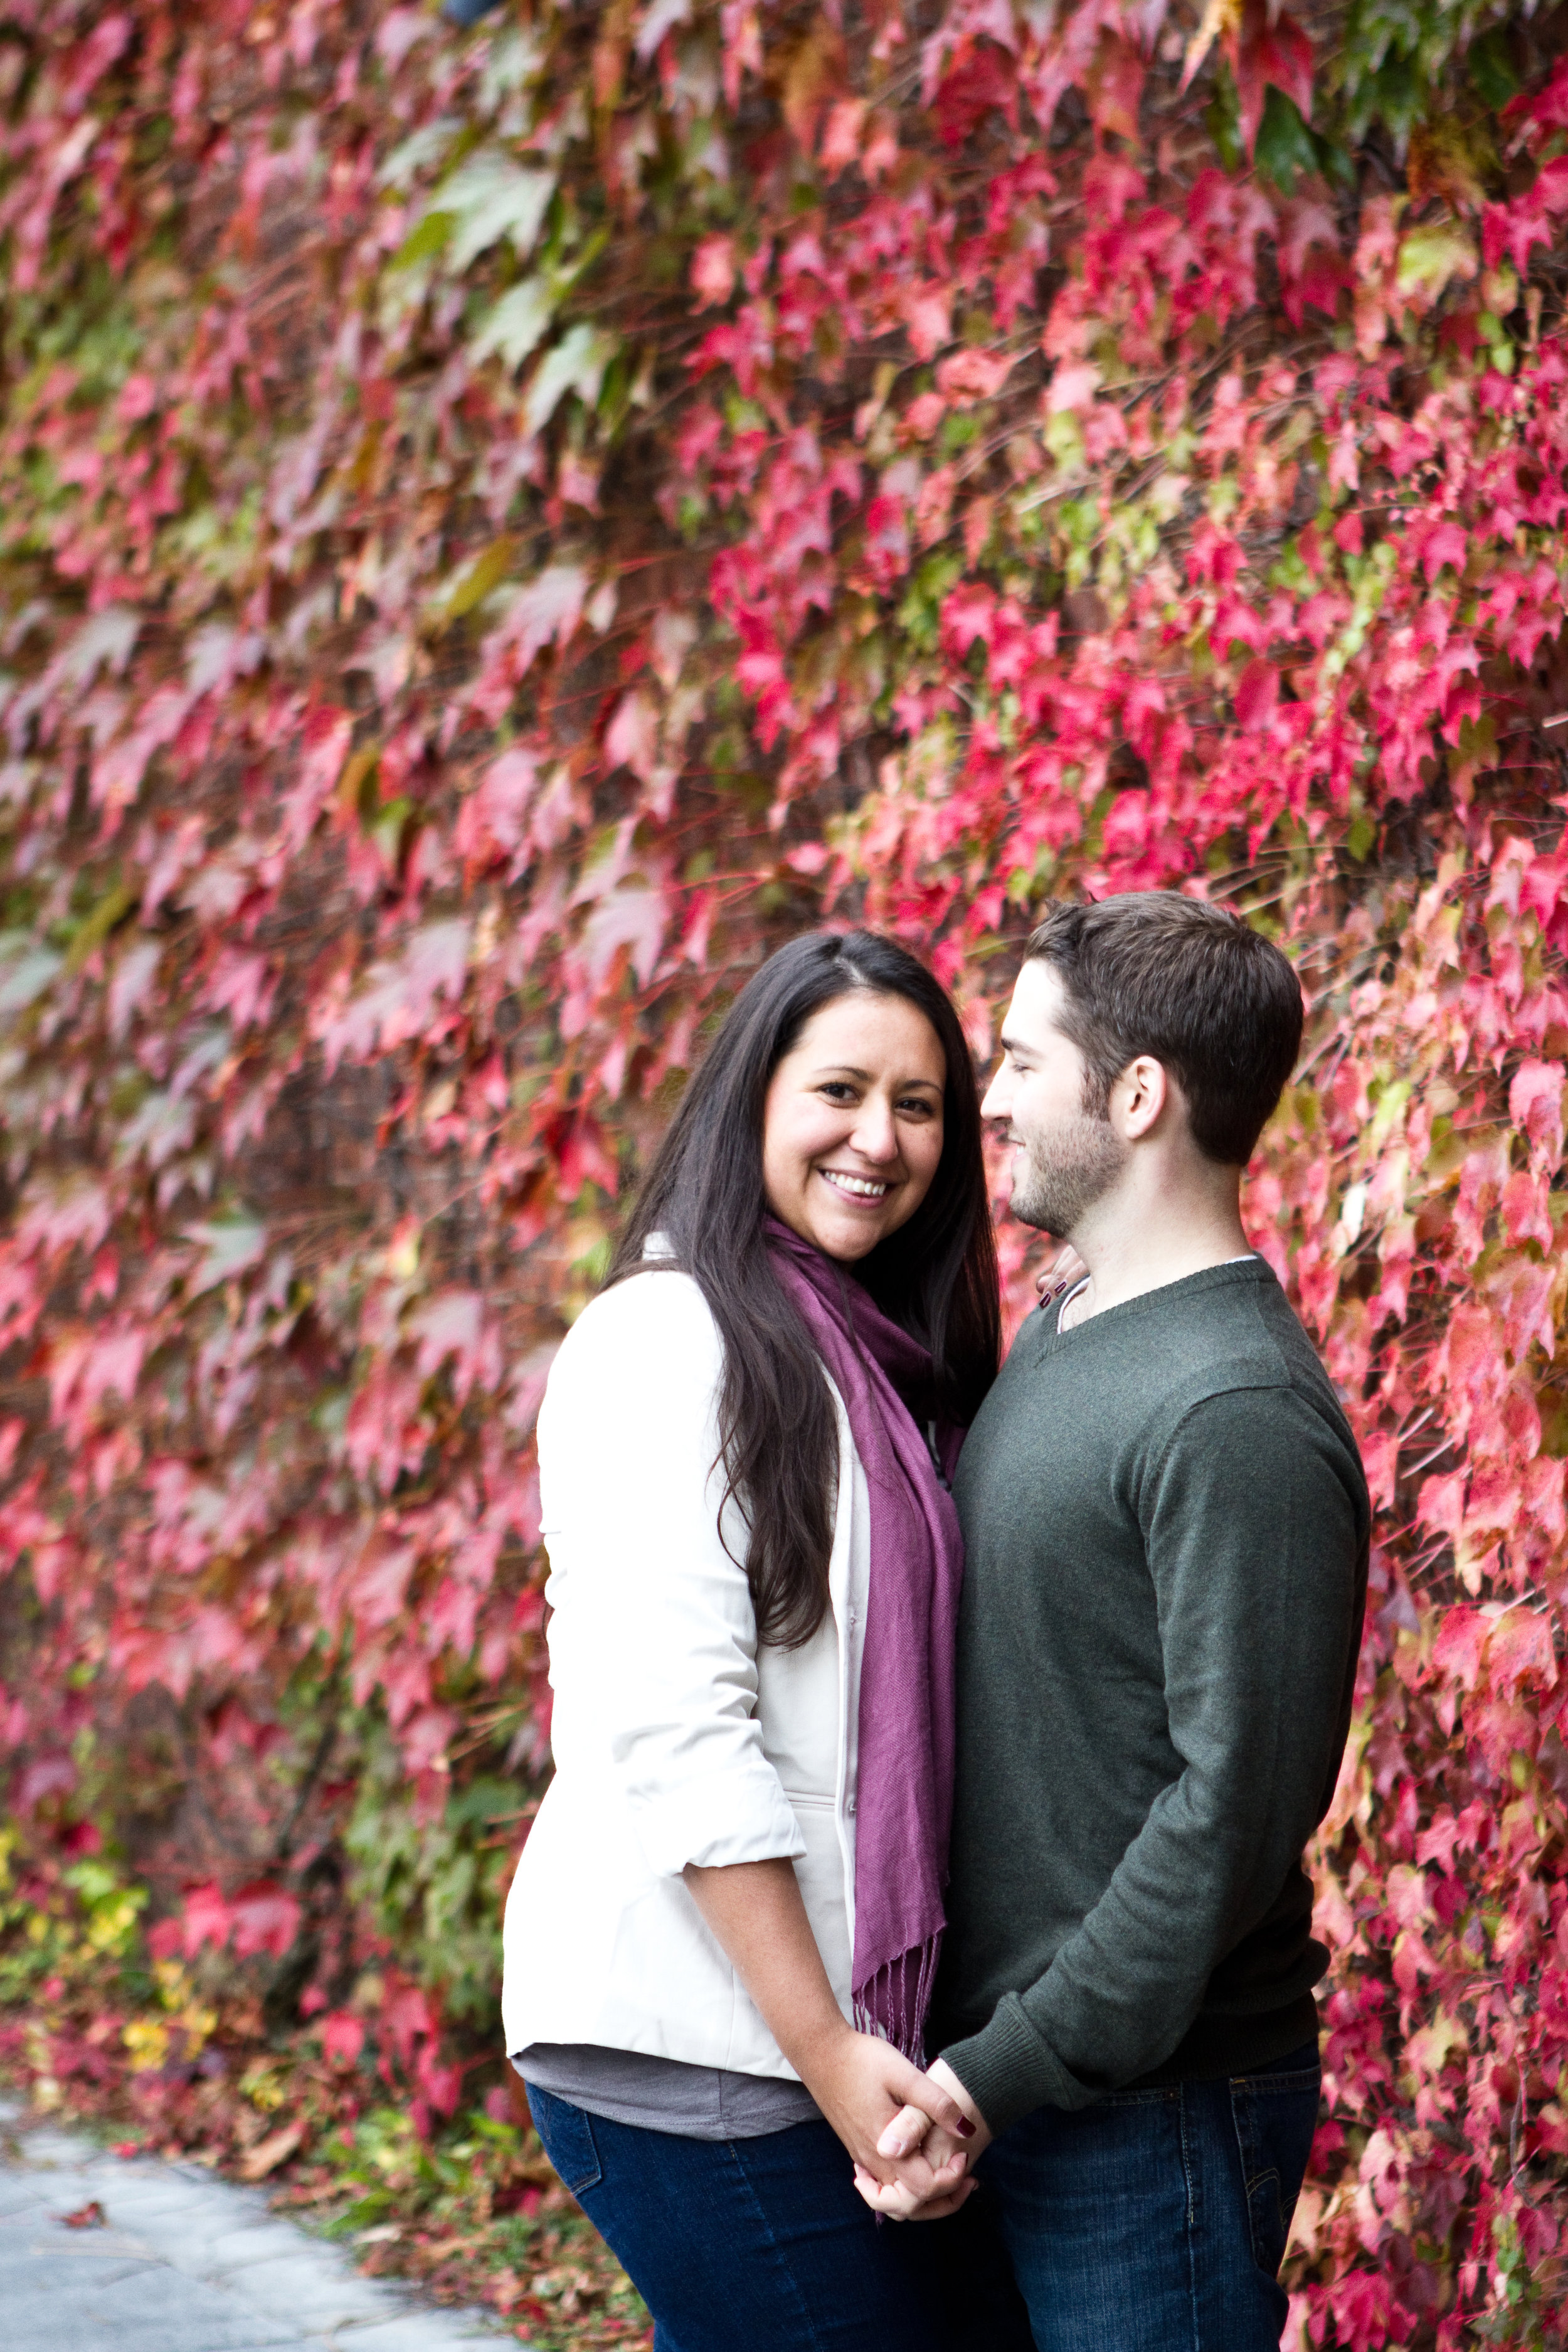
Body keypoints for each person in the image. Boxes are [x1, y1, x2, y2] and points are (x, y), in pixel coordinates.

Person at [862, 892, 1370, 2352]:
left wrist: (998, 2069)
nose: (991, 1096)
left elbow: (1225, 1819)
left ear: (1136, 1095)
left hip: (1154, 2122)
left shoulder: (1233, 1411)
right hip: (1021, 2086)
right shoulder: (1067, 1325)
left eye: (1023, 1060)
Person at [501, 929, 1013, 2351]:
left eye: (918, 1107)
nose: (878, 1138)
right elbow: (674, 1730)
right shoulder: (668, 1340)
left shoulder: (891, 1365)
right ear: (754, 1101)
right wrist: (831, 2058)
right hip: (693, 2041)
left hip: (824, 2040)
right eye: (838, 1090)